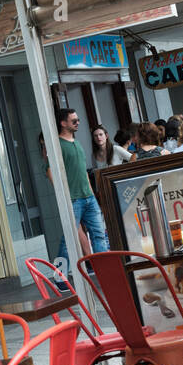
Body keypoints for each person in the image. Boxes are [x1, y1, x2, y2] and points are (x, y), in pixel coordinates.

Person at [53, 107, 109, 263]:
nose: (78, 123)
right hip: (73, 199)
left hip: (88, 197)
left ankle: (104, 268)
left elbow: (83, 172)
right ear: (63, 123)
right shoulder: (57, 145)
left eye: (78, 120)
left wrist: (91, 194)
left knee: (98, 234)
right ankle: (59, 276)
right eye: (74, 120)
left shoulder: (77, 143)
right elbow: (50, 171)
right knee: (68, 239)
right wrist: (64, 195)